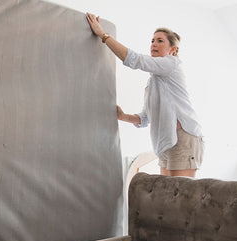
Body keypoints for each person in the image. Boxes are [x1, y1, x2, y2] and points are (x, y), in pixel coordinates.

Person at [86, 13, 204, 177]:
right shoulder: (153, 83)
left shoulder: (172, 64)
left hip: (184, 139)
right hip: (166, 143)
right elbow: (144, 118)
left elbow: (135, 60)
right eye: (152, 41)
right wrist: (123, 116)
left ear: (173, 49)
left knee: (181, 197)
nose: (154, 44)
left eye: (160, 41)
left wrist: (103, 35)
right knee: (166, 194)